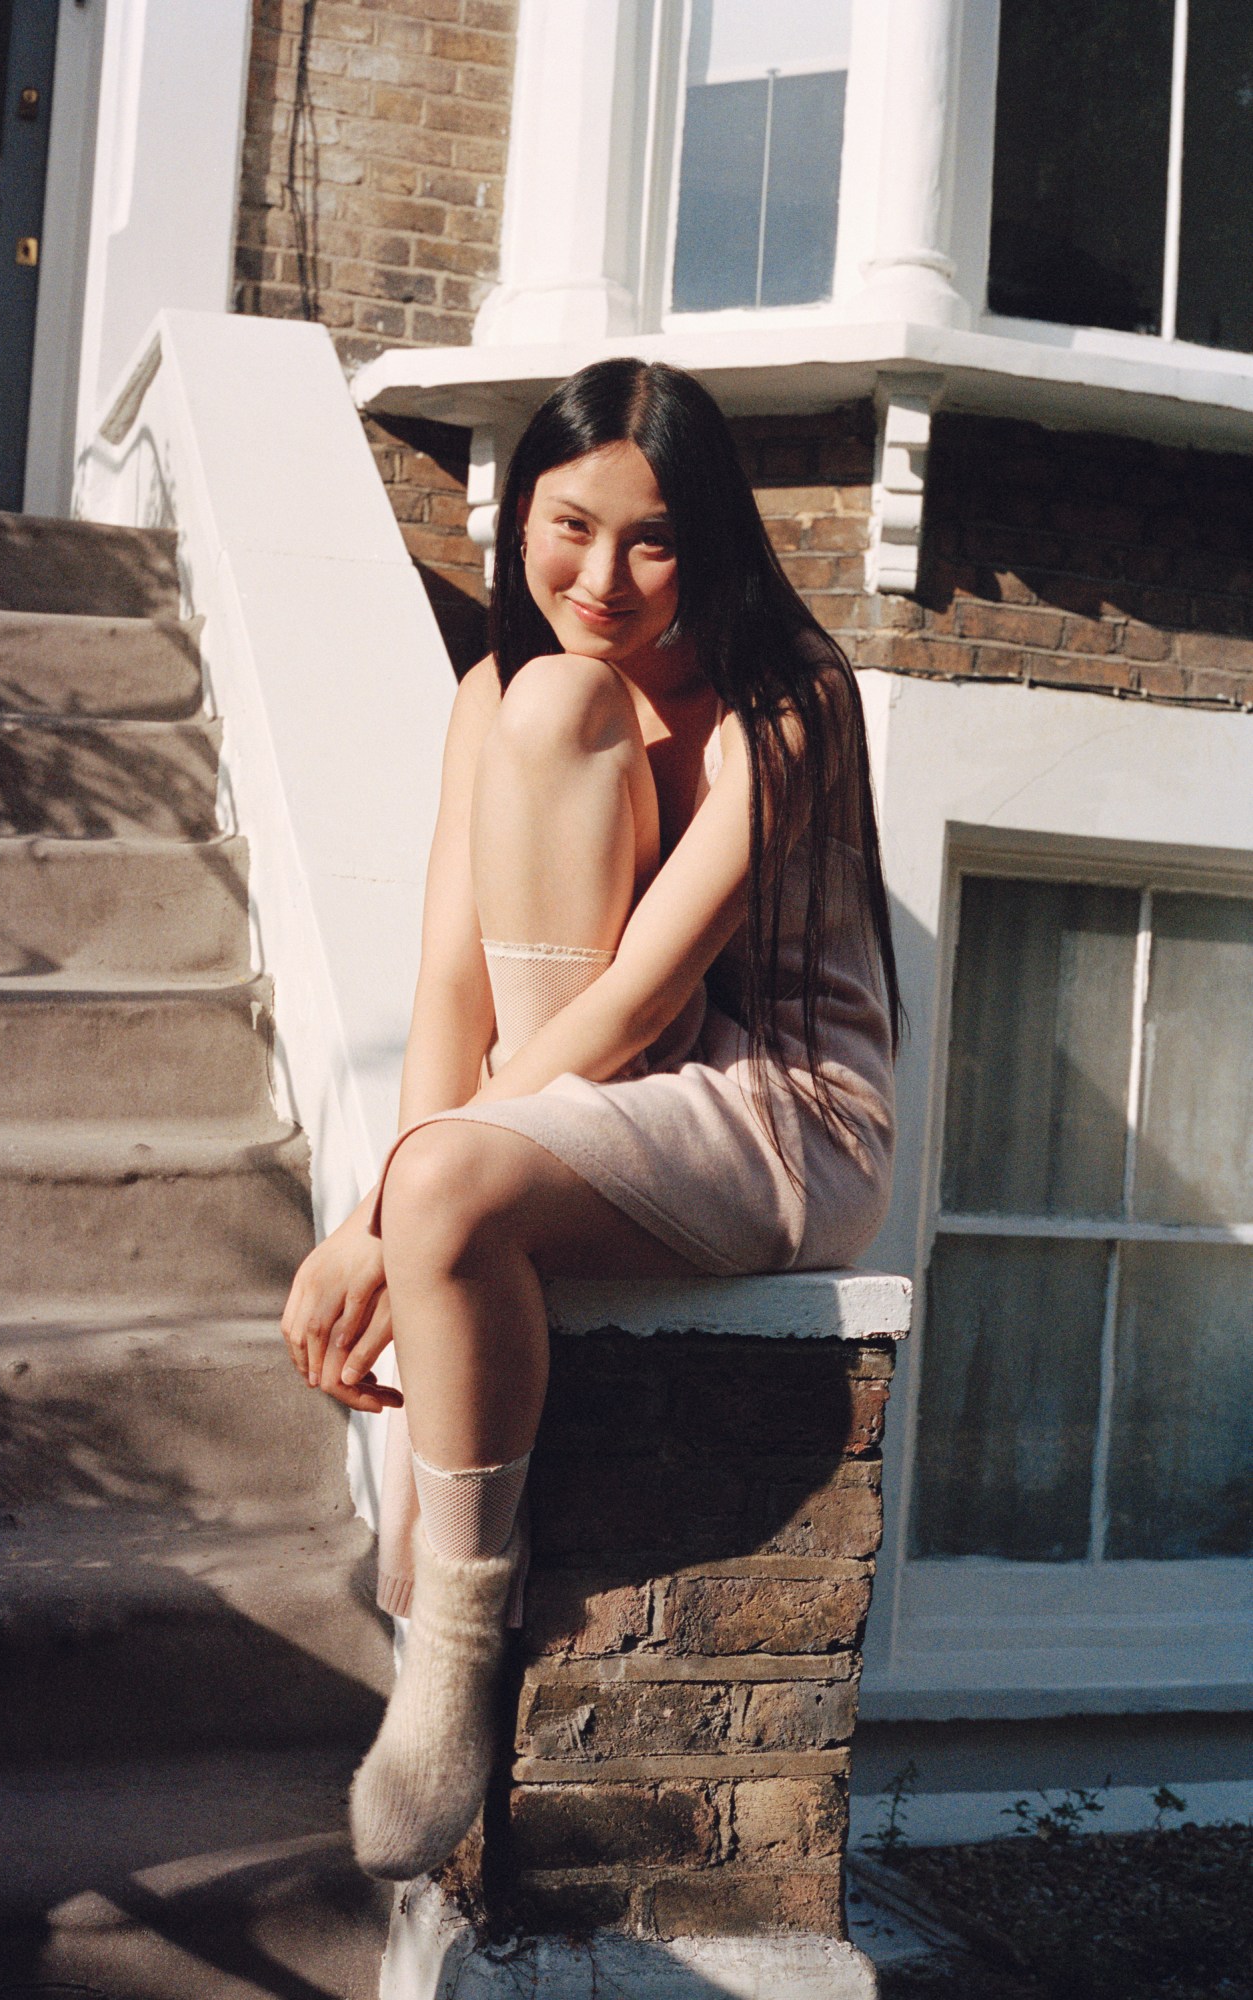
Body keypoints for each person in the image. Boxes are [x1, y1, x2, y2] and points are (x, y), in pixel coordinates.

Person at [280, 357, 901, 1882]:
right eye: (569, 527)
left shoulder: (790, 694)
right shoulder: (502, 688)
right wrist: (389, 1203)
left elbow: (634, 994)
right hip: (602, 1074)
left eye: (653, 539)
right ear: (518, 519)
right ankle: (461, 1631)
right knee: (549, 697)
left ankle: (452, 1635)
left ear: (711, 546)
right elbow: (446, 991)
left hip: (782, 1110)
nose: (603, 576)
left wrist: (392, 1211)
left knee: (439, 1199)